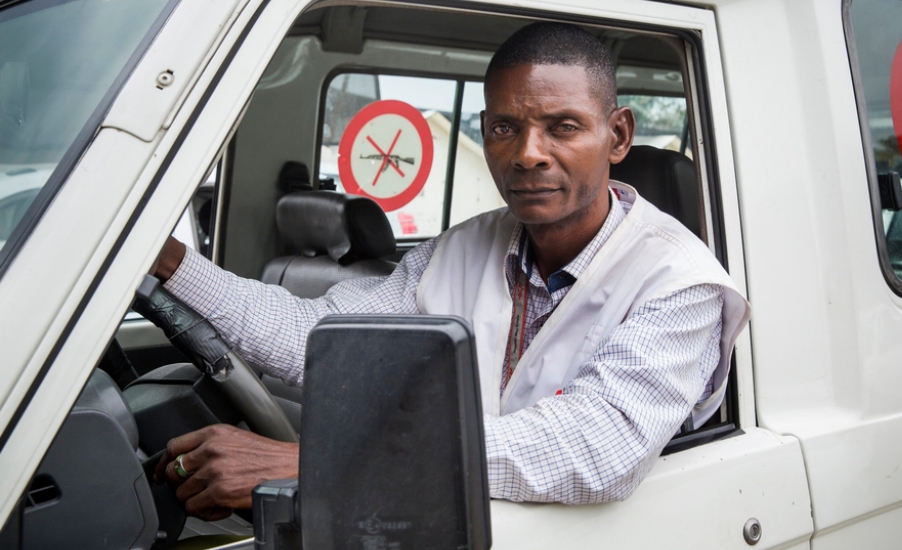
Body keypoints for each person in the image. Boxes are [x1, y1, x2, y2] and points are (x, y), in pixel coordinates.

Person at [151, 22, 750, 520]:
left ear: (617, 135)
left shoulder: (680, 282)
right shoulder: (465, 246)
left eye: (562, 126)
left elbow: (593, 447)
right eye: (503, 128)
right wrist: (169, 262)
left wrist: (312, 463)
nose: (527, 153)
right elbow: (320, 337)